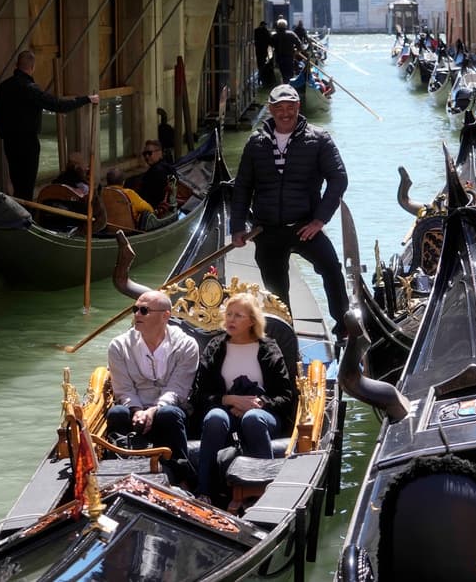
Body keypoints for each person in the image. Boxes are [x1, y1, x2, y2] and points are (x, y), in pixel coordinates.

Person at [230, 84, 350, 341]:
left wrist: (319, 220)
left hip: (304, 226)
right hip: (267, 229)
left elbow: (338, 179)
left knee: (331, 268)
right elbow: (242, 186)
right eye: (279, 108)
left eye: (290, 107)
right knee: (276, 292)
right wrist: (237, 226)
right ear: (271, 110)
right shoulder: (256, 143)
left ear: (298, 107)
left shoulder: (319, 139)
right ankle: (285, 339)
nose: (285, 113)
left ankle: (344, 328)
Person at [191, 293, 295, 503]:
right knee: (214, 418)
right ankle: (204, 492)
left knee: (253, 419)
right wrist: (229, 400)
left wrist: (260, 404)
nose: (230, 319)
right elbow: (200, 394)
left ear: (252, 321)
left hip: (263, 414)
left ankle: (265, 489)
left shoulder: (269, 348)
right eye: (228, 314)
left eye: (238, 315)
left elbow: (285, 395)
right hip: (225, 411)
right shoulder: (215, 347)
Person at [106, 290, 199, 470]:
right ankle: (120, 471)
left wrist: (154, 410)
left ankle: (182, 477)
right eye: (135, 309)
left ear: (165, 316)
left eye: (144, 310)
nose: (137, 314)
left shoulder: (186, 345)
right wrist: (137, 410)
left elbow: (178, 388)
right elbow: (123, 389)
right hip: (134, 408)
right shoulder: (118, 346)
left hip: (171, 409)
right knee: (117, 413)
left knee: (168, 414)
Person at [0, 50, 99, 200]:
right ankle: (26, 217)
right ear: (33, 67)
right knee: (27, 187)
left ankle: (19, 214)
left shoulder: (3, 87)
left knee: (18, 185)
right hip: (28, 144)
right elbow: (59, 105)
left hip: (10, 143)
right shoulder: (31, 89)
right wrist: (87, 99)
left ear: (16, 65)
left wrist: (5, 135)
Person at [139, 139, 178, 211]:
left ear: (159, 153)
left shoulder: (154, 172)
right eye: (144, 154)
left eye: (149, 153)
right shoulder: (169, 168)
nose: (146, 157)